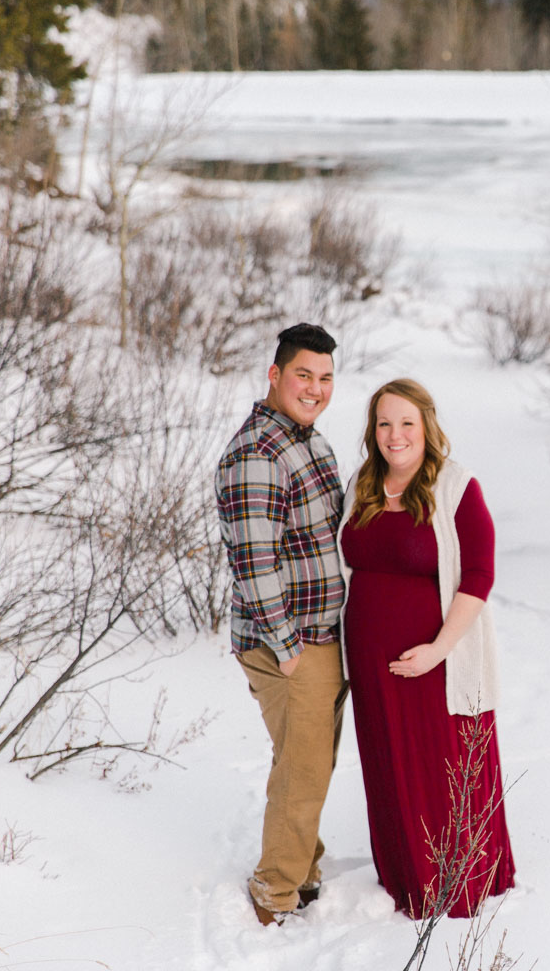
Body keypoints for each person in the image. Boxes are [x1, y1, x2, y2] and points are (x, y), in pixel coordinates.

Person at [338, 378, 515, 918]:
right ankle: (405, 877)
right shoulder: (362, 484)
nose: (395, 434)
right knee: (389, 765)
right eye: (384, 423)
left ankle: (459, 883)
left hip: (440, 662)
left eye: (406, 423)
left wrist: (438, 650)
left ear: (427, 427)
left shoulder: (456, 486)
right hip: (371, 660)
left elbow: (479, 576)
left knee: (443, 767)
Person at [215, 323, 349, 926]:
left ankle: (305, 865)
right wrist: (290, 648)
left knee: (308, 763)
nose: (315, 388)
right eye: (303, 375)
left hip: (324, 638)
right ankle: (275, 895)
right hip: (288, 645)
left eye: (324, 378)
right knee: (303, 770)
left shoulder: (312, 444)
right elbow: (254, 563)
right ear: (275, 376)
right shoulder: (257, 455)